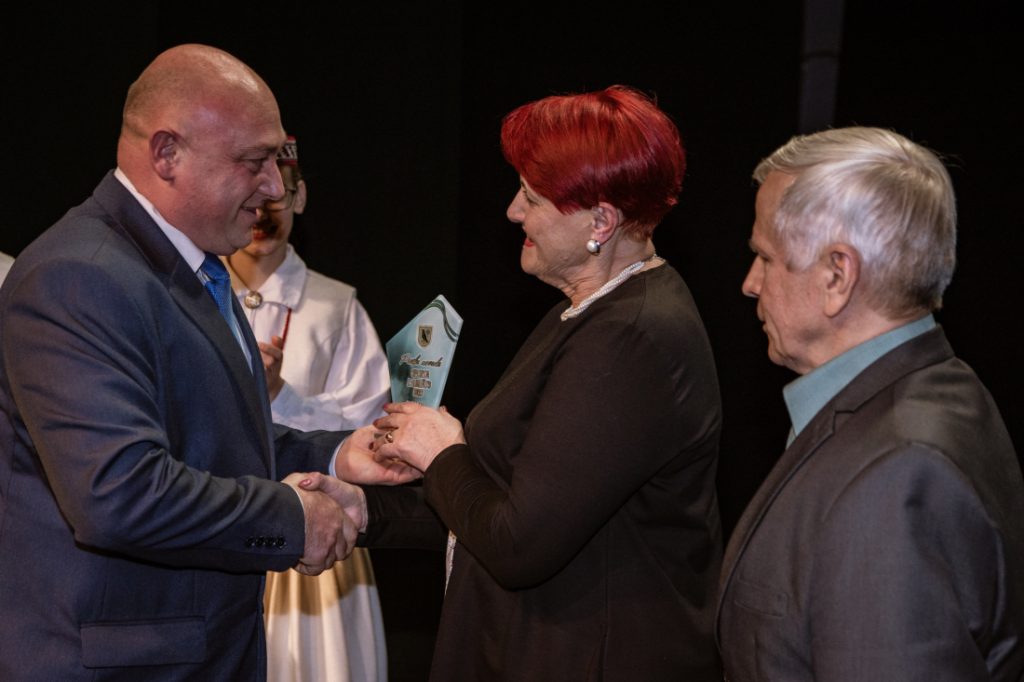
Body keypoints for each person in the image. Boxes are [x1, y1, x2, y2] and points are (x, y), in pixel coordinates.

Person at [0, 44, 413, 680]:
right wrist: (292, 520)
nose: (273, 187)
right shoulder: (78, 276)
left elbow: (205, 439)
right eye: (254, 162)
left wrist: (335, 455)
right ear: (166, 154)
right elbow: (120, 495)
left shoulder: (188, 264)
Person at [309, 84, 724, 680]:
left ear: (601, 221)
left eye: (531, 197)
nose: (512, 211)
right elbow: (499, 502)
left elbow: (518, 544)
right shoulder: (587, 313)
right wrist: (366, 511)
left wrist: (441, 452)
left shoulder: (631, 335)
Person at [716, 126, 1024, 680]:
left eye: (764, 257)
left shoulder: (896, 475)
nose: (750, 283)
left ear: (838, 274)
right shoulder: (942, 385)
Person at [225, 135, 389, 682]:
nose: (263, 211)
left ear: (298, 197)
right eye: (251, 192)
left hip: (312, 535)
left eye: (278, 195)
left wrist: (281, 396)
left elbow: (369, 429)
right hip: (223, 521)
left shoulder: (335, 306)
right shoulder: (198, 294)